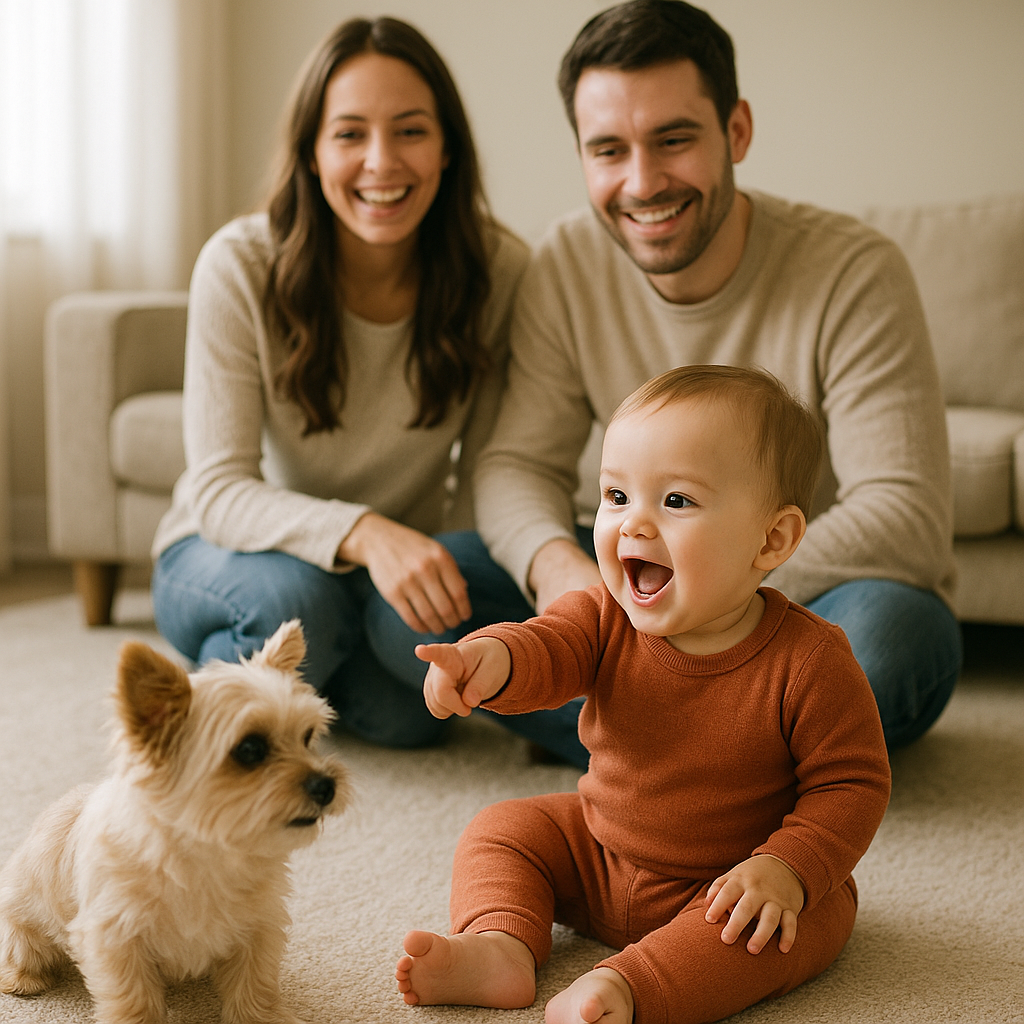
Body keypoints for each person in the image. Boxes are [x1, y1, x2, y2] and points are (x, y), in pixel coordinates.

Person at [373, 0, 961, 766]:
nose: (642, 182)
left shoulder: (855, 271)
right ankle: (730, 761)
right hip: (624, 583)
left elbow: (905, 513)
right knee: (411, 620)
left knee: (888, 644)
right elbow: (515, 465)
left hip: (785, 603)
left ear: (737, 131)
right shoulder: (565, 264)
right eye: (609, 149)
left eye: (674, 140)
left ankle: (626, 738)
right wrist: (573, 582)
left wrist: (702, 585)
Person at [394, 365, 892, 1024]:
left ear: (772, 538)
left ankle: (628, 989)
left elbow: (853, 784)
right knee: (503, 829)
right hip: (601, 853)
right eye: (615, 496)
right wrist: (491, 659)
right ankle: (500, 945)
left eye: (676, 501)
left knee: (786, 929)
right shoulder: (605, 615)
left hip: (731, 882)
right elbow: (547, 646)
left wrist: (787, 869)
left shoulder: (811, 661)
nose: (632, 526)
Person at [149, 16, 529, 748]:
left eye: (410, 130)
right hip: (226, 551)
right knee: (296, 602)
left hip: (387, 567)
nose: (381, 162)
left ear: (447, 148)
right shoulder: (239, 263)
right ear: (313, 153)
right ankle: (250, 676)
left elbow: (489, 475)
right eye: (350, 134)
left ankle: (245, 684)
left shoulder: (500, 272)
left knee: (418, 711)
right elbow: (221, 492)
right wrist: (365, 531)